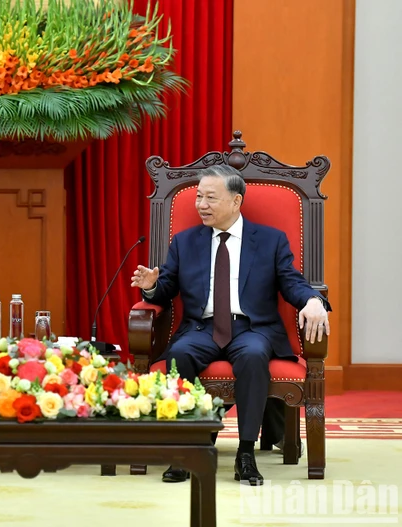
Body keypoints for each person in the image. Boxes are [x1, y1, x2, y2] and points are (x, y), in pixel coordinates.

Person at [131, 165, 330, 486]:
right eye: (199, 197)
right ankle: (186, 448)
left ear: (236, 201)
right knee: (179, 355)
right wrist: (152, 286)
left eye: (210, 198)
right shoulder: (185, 242)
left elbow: (291, 281)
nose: (201, 205)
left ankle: (246, 453)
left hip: (252, 329)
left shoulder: (270, 241)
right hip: (201, 329)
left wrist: (312, 300)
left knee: (253, 356)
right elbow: (166, 288)